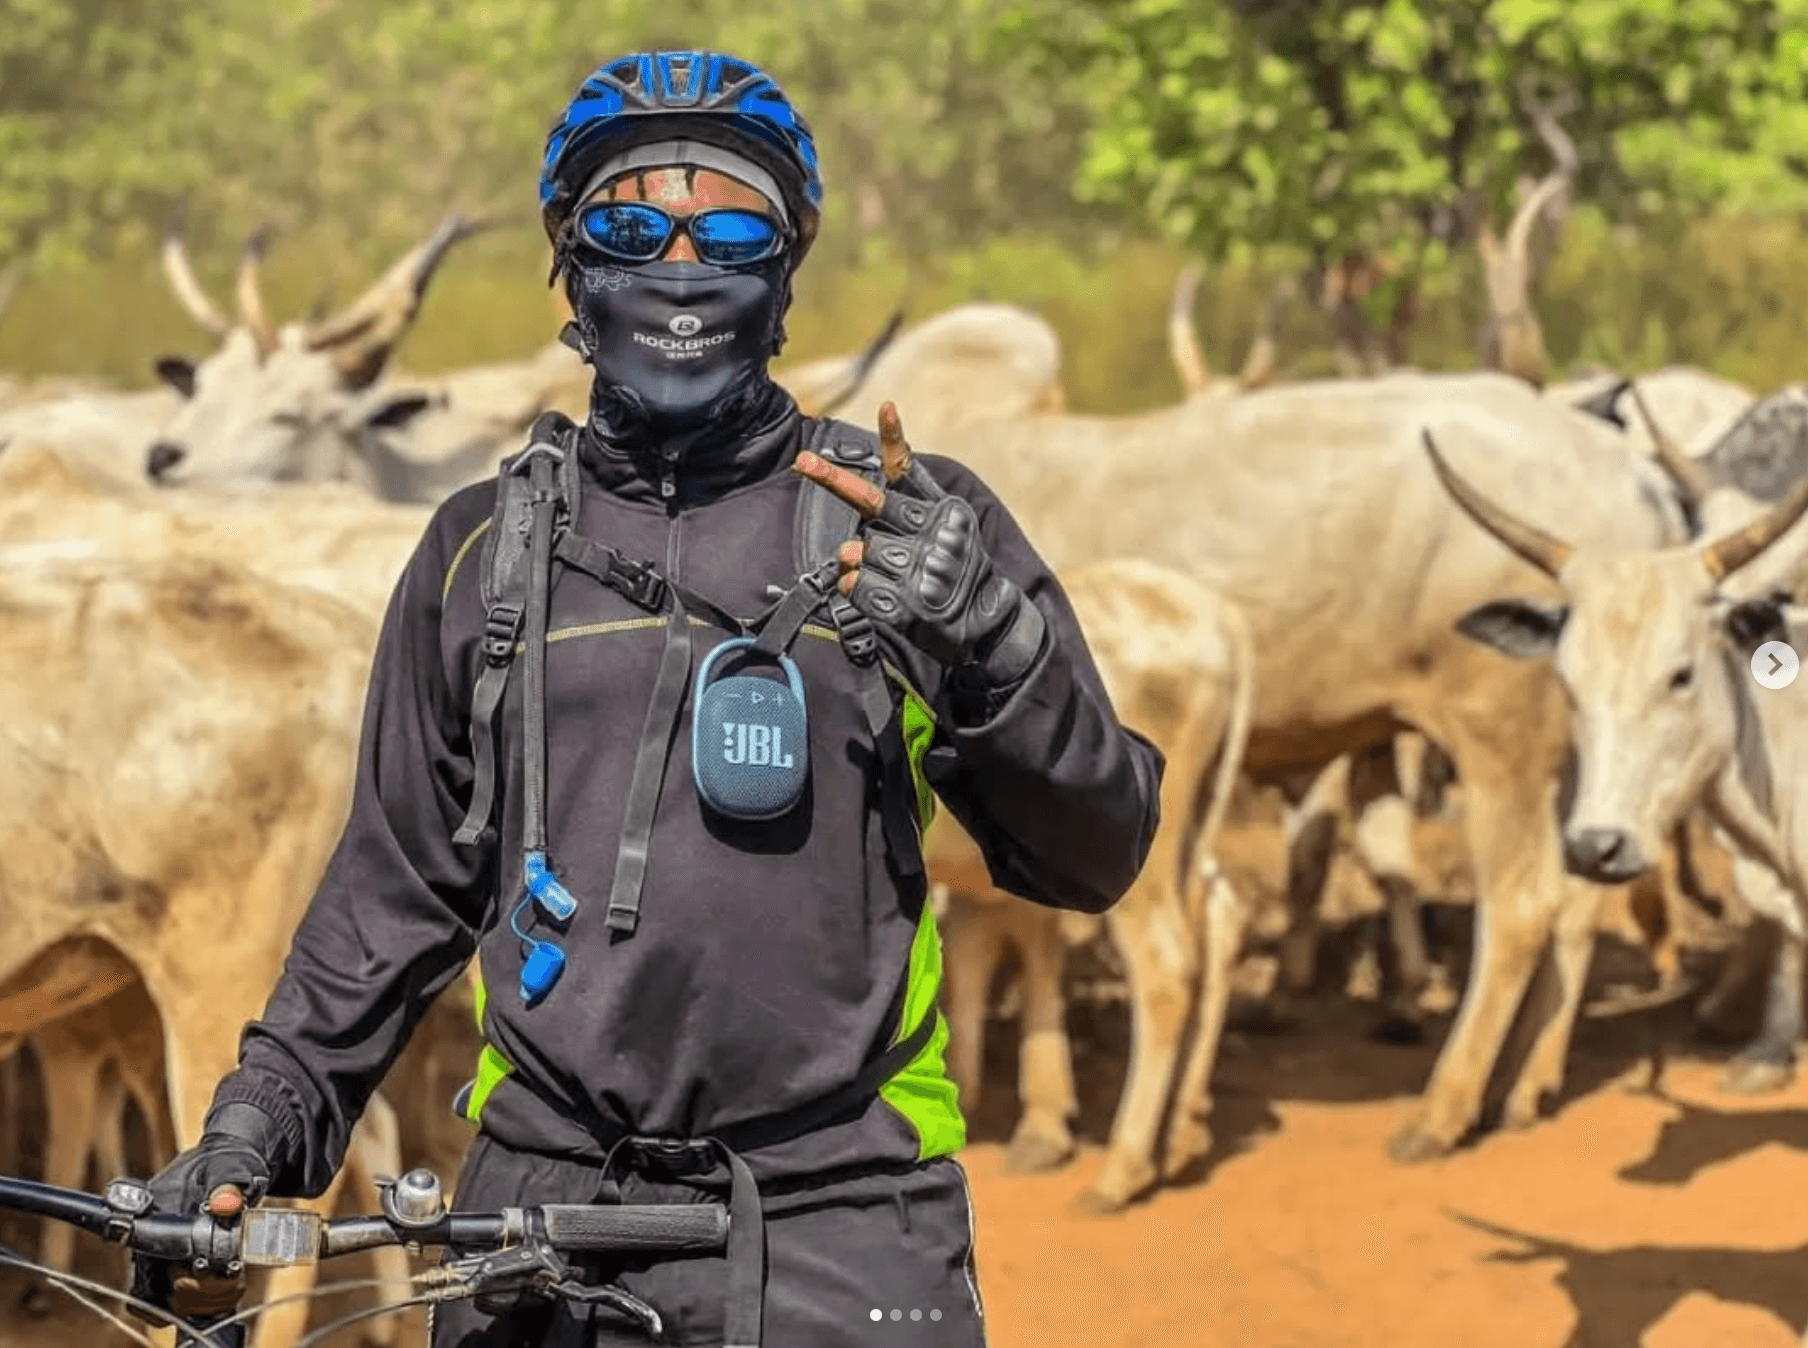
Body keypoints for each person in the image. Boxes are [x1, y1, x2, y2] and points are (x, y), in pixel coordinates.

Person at [131, 49, 1162, 1348]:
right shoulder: (477, 551)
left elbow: (1098, 852)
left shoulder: (911, 524)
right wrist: (259, 1119)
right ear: (571, 262)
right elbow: (393, 894)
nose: (681, 265)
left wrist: (998, 644)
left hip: (848, 1216)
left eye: (727, 226)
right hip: (535, 1214)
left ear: (785, 267)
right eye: (631, 227)